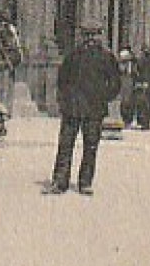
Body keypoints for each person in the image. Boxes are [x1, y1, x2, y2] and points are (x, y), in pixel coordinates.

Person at [46, 25, 122, 196]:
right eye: (87, 35)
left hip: (94, 109)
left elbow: (116, 82)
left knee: (91, 147)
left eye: (94, 35)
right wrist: (64, 99)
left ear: (100, 37)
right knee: (65, 145)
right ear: (81, 36)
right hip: (72, 108)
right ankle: (60, 181)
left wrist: (104, 97)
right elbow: (62, 80)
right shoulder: (73, 56)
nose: (90, 39)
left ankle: (85, 183)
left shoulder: (107, 57)